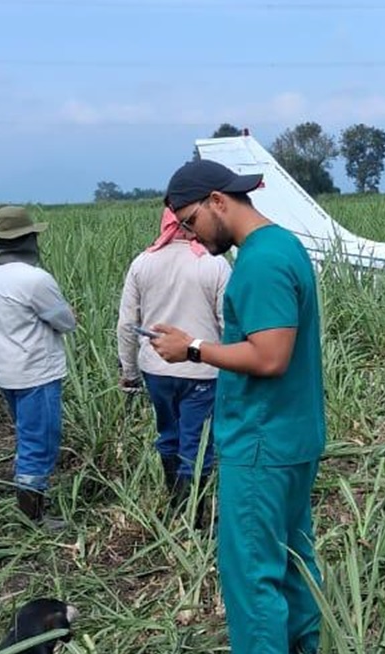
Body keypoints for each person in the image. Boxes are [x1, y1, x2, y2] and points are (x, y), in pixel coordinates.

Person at [149, 158, 326, 654]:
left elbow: (270, 356)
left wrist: (193, 349)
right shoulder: (283, 245)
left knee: (251, 576)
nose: (192, 236)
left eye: (191, 221)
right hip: (291, 436)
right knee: (290, 559)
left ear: (218, 202)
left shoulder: (260, 261)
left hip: (261, 442)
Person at [117, 207, 230, 526]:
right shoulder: (214, 264)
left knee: (168, 433)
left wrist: (129, 373)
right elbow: (228, 322)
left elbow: (127, 324)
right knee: (197, 440)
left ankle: (176, 503)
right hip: (203, 368)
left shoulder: (142, 263)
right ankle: (194, 516)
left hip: (156, 368)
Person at [0, 206, 76, 530]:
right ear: (28, 239)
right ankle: (32, 515)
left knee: (26, 433)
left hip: (3, 370)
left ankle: (29, 502)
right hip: (35, 371)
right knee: (40, 439)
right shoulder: (34, 279)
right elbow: (65, 322)